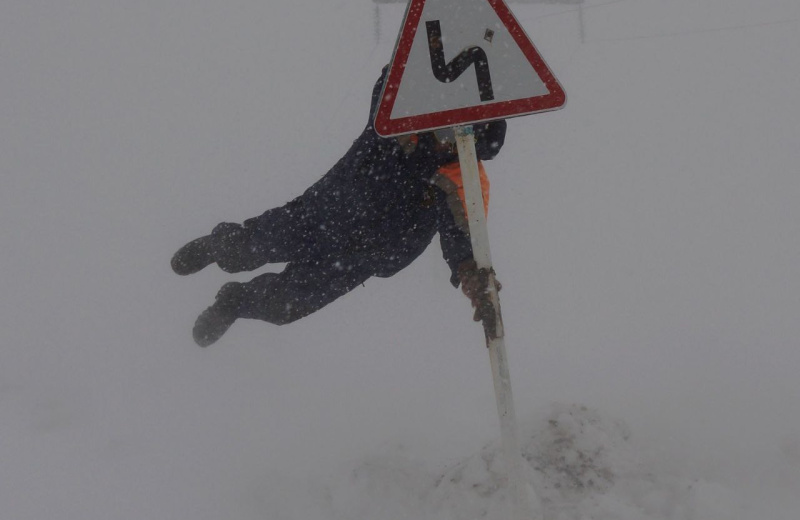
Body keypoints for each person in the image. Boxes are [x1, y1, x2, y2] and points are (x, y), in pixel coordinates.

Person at [172, 67, 506, 346]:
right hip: (318, 215)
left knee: (283, 307)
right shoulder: (394, 120)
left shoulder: (461, 175)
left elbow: (464, 230)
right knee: (246, 248)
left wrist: (472, 275)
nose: (447, 135)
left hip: (359, 258)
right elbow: (392, 78)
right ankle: (216, 247)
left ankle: (231, 304)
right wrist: (430, 53)